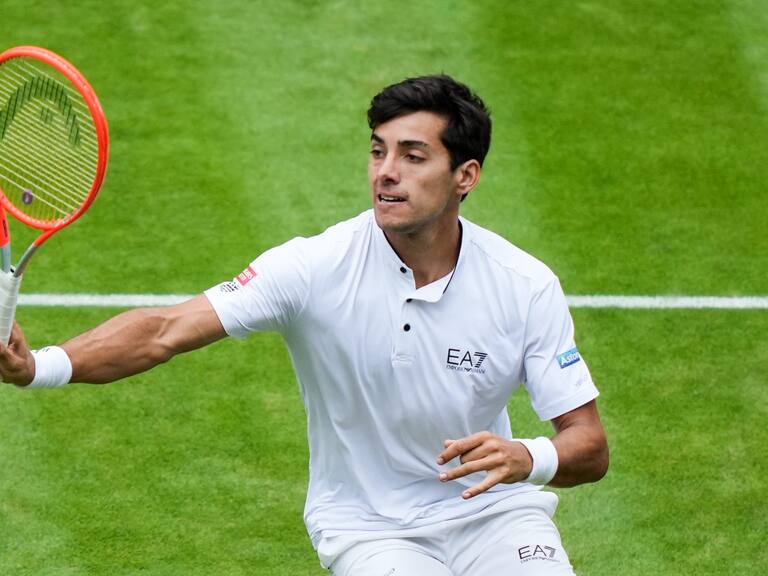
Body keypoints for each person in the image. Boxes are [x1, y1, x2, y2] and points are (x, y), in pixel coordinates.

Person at [0, 75, 608, 575]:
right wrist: (40, 368)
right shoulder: (314, 266)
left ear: (465, 176)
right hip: (370, 529)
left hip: (494, 516)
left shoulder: (525, 284)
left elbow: (589, 445)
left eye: (412, 155)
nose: (385, 172)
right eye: (378, 150)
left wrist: (526, 456)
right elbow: (165, 329)